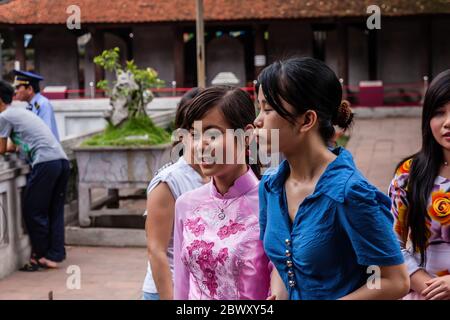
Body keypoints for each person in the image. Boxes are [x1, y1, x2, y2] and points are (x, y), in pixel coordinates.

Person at [255, 57, 410, 300]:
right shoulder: (270, 186)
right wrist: (278, 293)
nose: (257, 121)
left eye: (267, 109)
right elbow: (282, 260)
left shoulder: (349, 193)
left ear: (307, 120)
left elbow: (395, 280)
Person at [173, 86, 271, 300]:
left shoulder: (271, 204)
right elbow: (180, 286)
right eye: (194, 135)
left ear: (246, 136)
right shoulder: (186, 205)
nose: (200, 146)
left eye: (212, 134)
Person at [142, 88, 209, 300]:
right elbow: (156, 251)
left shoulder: (218, 177)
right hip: (168, 290)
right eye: (195, 132)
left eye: (211, 131)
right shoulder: (168, 182)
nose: (204, 141)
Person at [389, 69, 450, 300]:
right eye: (439, 113)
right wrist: (429, 287)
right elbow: (391, 243)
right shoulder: (409, 174)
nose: (448, 123)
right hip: (424, 291)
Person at [0, 80, 70, 271]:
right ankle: (55, 255)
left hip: (45, 162)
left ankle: (40, 255)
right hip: (61, 161)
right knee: (54, 210)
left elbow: (1, 149)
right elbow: (13, 145)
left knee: (33, 210)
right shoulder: (20, 112)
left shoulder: (5, 116)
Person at [13, 70, 60, 141]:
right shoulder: (30, 106)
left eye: (18, 88)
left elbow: (46, 134)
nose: (15, 91)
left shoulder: (43, 104)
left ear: (29, 89)